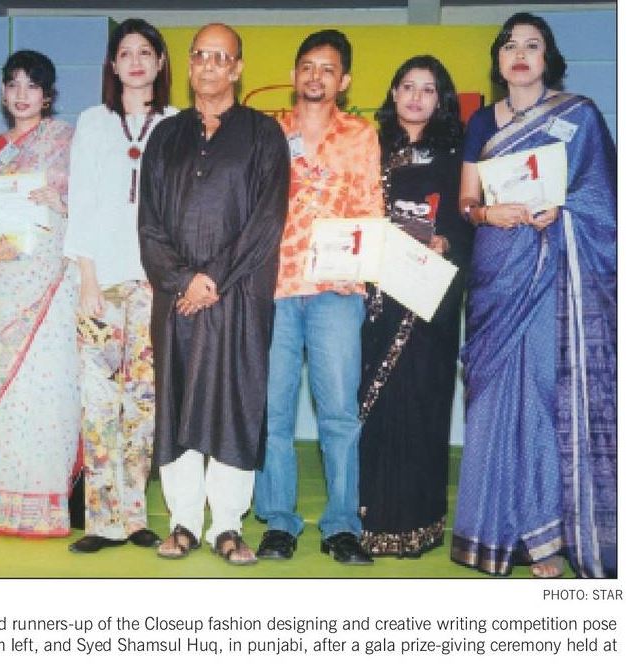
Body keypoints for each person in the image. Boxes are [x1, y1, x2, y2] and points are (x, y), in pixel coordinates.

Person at [452, 12, 616, 578]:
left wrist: (562, 211)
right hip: (497, 268)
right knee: (491, 398)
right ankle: (496, 529)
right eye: (510, 46)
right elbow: (467, 200)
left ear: (548, 58)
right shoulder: (481, 121)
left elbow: (602, 199)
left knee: (546, 395)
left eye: (532, 45)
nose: (520, 54)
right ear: (498, 60)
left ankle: (546, 537)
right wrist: (486, 213)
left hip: (554, 270)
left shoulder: (579, 116)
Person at [139, 23, 289, 565]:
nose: (209, 65)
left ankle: (227, 525)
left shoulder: (264, 135)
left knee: (235, 401)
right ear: (189, 63)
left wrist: (214, 280)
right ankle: (183, 521)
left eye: (220, 57)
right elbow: (149, 224)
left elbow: (266, 221)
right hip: (176, 297)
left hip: (239, 295)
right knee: (176, 400)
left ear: (238, 68)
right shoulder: (165, 135)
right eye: (201, 55)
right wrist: (184, 279)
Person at [253, 29, 382, 565]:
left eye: (328, 69)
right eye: (308, 66)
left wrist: (361, 271)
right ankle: (278, 521)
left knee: (339, 414)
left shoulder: (361, 134)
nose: (315, 76)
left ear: (344, 81)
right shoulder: (267, 131)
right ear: (293, 74)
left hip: (336, 290)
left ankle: (342, 525)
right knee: (273, 413)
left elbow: (370, 206)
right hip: (274, 289)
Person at [64, 19, 176, 554]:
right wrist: (86, 276)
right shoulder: (92, 122)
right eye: (125, 53)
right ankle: (101, 521)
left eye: (145, 52)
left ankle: (134, 517)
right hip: (100, 282)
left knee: (143, 403)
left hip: (154, 282)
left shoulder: (175, 124)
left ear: (160, 62)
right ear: (112, 64)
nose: (135, 61)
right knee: (98, 401)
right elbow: (80, 200)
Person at [357, 55, 472, 558]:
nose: (416, 97)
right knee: (375, 402)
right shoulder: (368, 147)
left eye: (428, 89)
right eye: (408, 86)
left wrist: (446, 242)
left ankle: (419, 523)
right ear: (393, 92)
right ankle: (369, 519)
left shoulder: (458, 154)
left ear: (441, 100)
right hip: (375, 297)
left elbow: (469, 222)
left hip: (429, 298)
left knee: (423, 401)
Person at [0, 50, 81, 538]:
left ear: (48, 95)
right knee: (6, 393)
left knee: (49, 388)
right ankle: (4, 504)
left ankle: (51, 502)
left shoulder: (68, 141)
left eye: (33, 85)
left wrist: (61, 201)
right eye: (13, 84)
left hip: (52, 285)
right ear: (3, 92)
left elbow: (93, 205)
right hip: (3, 282)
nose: (22, 95)